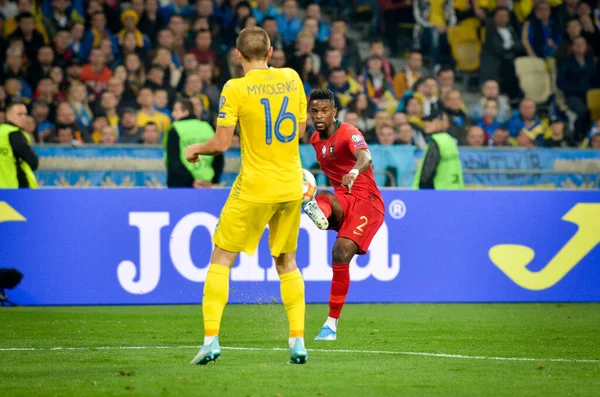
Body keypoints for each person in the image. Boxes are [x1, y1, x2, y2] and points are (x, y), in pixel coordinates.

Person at [184, 27, 309, 365]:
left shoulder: (235, 87)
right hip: (289, 186)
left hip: (254, 186)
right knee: (287, 262)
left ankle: (211, 340)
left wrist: (196, 148)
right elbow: (298, 131)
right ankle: (297, 342)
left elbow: (221, 144)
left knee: (221, 258)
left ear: (237, 55)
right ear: (271, 53)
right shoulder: (293, 78)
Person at [302, 88, 385, 341]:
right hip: (344, 198)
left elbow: (365, 156)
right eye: (314, 111)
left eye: (325, 110)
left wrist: (355, 171)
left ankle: (330, 325)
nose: (319, 115)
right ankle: (319, 212)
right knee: (325, 195)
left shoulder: (349, 132)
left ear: (334, 112)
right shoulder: (315, 140)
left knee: (339, 252)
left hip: (367, 201)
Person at [165, 99, 223, 187]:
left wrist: (191, 181)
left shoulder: (175, 129)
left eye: (176, 110)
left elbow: (174, 161)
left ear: (186, 112)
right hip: (207, 183)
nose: (173, 114)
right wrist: (214, 180)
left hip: (182, 184)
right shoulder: (208, 127)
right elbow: (219, 157)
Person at [413, 111, 464, 189]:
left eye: (430, 121)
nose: (426, 124)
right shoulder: (450, 140)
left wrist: (422, 189)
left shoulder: (436, 141)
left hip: (438, 192)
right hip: (454, 188)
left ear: (439, 122)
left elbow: (428, 171)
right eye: (425, 122)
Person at [0, 102, 39, 188]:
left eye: (25, 114)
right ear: (8, 115)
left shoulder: (2, 132)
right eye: (19, 114)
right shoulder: (15, 134)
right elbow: (33, 162)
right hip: (16, 188)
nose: (24, 117)